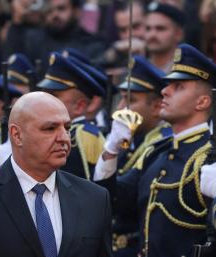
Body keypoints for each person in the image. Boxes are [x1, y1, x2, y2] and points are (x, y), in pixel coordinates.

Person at [0, 91, 112, 257]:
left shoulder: (94, 198)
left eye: (67, 127)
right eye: (50, 128)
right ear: (16, 135)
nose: (64, 138)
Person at [94, 43, 216, 257]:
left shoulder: (209, 156)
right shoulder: (155, 152)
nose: (164, 91)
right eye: (167, 85)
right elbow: (113, 202)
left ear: (202, 101)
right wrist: (111, 151)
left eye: (178, 87)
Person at [108, 55, 171, 257]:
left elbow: (121, 197)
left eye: (130, 100)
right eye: (121, 99)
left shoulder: (161, 143)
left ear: (156, 106)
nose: (120, 108)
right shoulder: (133, 139)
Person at [37, 52, 105, 180]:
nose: (45, 100)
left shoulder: (82, 135)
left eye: (54, 95)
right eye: (44, 94)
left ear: (79, 106)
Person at [3, 0, 106, 67]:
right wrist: (17, 20)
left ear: (76, 12)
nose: (55, 14)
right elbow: (12, 63)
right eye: (49, 10)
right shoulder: (33, 39)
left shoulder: (92, 44)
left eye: (61, 9)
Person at [145, 2, 185, 73]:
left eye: (160, 28)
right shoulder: (136, 69)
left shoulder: (185, 71)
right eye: (148, 28)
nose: (152, 34)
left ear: (178, 34)